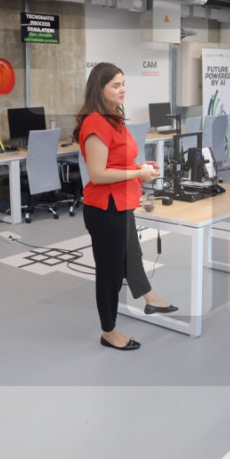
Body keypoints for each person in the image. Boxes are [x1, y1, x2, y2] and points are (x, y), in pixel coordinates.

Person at [73, 62, 178, 351]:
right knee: (109, 274)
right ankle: (109, 332)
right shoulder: (95, 123)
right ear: (99, 89)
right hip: (105, 207)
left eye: (123, 83)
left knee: (131, 255)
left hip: (122, 202)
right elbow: (97, 174)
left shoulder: (114, 119)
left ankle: (150, 299)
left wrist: (139, 167)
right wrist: (136, 173)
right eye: (115, 85)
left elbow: (117, 162)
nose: (122, 89)